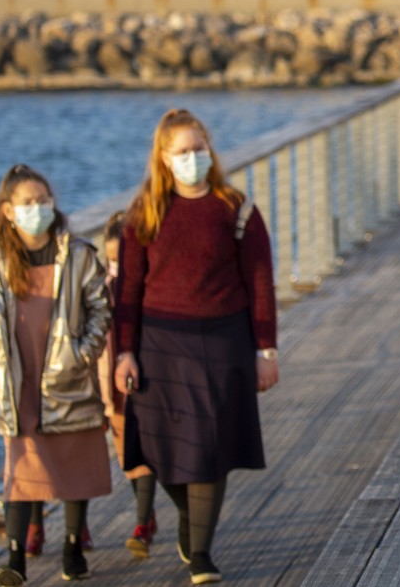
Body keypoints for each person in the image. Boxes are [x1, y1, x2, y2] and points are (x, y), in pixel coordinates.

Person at [114, 109, 279, 583]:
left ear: (211, 151)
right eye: (183, 152)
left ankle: (201, 553)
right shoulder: (144, 213)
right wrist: (124, 351)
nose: (193, 158)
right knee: (161, 446)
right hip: (159, 343)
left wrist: (266, 350)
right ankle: (189, 519)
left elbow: (261, 282)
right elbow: (128, 290)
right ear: (164, 159)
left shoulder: (237, 209)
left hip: (224, 340)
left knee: (211, 445)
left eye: (199, 149)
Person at [0, 165, 112, 585]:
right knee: (21, 465)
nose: (39, 208)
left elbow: (101, 309)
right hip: (20, 377)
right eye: (28, 202)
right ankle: (14, 559)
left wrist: (81, 355)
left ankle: (73, 547)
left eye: (44, 200)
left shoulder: (78, 255)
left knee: (75, 455)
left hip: (67, 372)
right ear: (8, 210)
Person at [95, 211, 161, 559]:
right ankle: (147, 517)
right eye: (110, 260)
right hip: (112, 392)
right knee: (128, 460)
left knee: (145, 456)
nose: (116, 267)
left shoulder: (146, 290)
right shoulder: (99, 292)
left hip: (145, 383)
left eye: (121, 259)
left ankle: (141, 522)